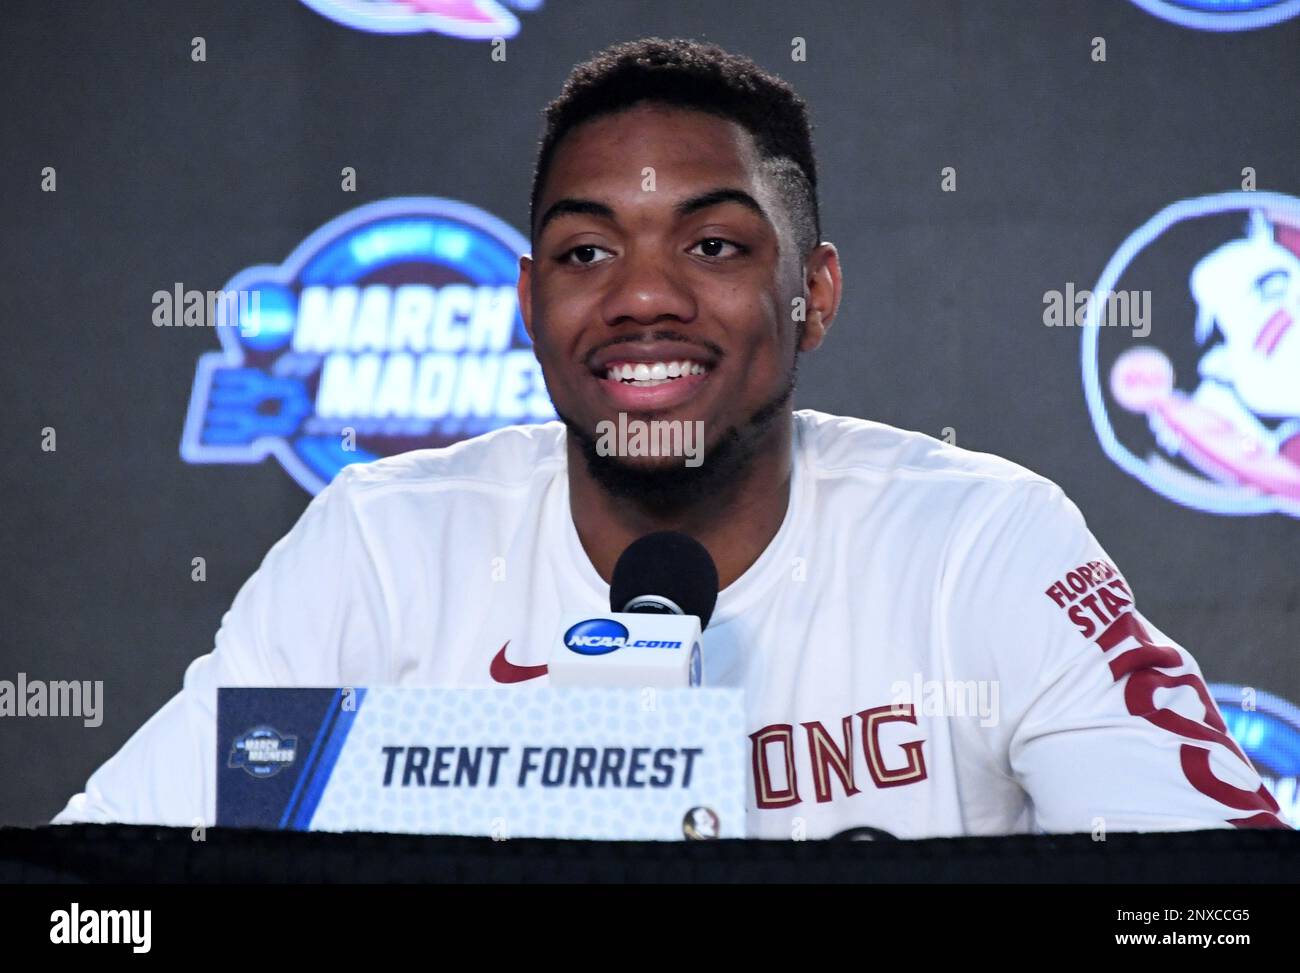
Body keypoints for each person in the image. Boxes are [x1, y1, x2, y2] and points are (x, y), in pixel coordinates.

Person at [54, 37, 1287, 838]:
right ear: (531, 305)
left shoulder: (981, 540)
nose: (642, 296)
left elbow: (1205, 908)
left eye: (713, 245)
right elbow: (92, 912)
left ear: (815, 292)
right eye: (587, 252)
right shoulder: (382, 548)